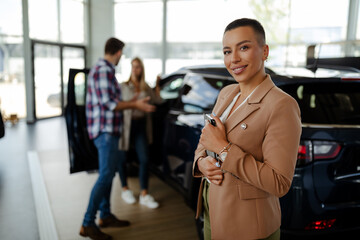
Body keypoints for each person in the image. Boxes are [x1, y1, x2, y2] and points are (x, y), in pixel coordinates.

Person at [192, 18, 302, 240]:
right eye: (226, 51)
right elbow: (206, 140)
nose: (233, 59)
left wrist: (224, 149)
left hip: (248, 226)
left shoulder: (281, 105)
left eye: (243, 47)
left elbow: (279, 182)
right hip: (212, 208)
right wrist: (201, 162)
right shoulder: (227, 93)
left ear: (264, 51)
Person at [79, 38, 156, 240]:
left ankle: (105, 215)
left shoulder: (104, 70)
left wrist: (131, 102)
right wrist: (136, 106)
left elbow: (114, 101)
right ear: (119, 52)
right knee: (105, 176)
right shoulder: (104, 70)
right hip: (105, 132)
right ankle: (88, 223)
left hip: (108, 131)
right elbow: (110, 104)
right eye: (121, 54)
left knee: (109, 174)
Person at [117, 57, 162, 209]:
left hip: (141, 125)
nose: (135, 69)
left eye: (138, 67)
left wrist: (157, 85)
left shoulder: (146, 87)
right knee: (121, 158)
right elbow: (117, 105)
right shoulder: (124, 86)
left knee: (144, 159)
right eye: (133, 67)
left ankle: (144, 194)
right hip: (126, 126)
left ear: (142, 69)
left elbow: (157, 100)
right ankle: (125, 188)